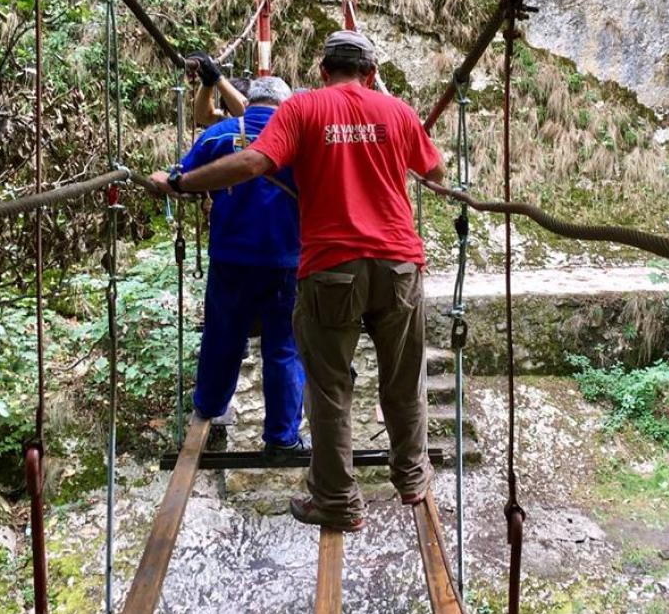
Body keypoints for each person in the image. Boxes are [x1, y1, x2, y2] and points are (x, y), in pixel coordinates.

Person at [153, 30, 447, 532]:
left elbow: (252, 163)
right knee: (403, 378)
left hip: (332, 267)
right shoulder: (397, 111)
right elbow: (436, 171)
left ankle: (337, 499)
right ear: (371, 74)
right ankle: (412, 477)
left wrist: (179, 183)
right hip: (399, 263)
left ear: (322, 70)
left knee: (331, 387)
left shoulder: (304, 108)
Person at [150, 75, 308, 455]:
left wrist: (162, 180)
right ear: (284, 106)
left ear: (248, 100)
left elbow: (176, 181)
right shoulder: (301, 138)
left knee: (223, 336)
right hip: (286, 260)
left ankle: (209, 406)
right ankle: (283, 437)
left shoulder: (218, 136)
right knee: (284, 347)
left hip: (230, 259)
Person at [187, 51, 250, 127]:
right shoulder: (227, 119)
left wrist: (216, 76)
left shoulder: (262, 124)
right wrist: (207, 81)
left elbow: (246, 114)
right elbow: (202, 117)